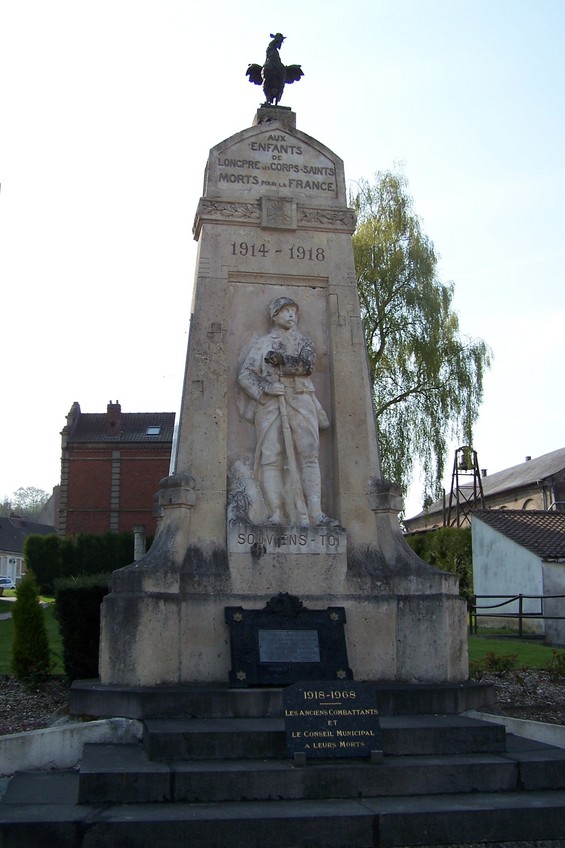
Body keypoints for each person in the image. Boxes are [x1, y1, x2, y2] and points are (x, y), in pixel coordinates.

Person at [238, 296, 335, 527]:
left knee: (309, 454)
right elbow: (245, 375)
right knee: (271, 457)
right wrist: (267, 388)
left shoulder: (304, 342)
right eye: (285, 311)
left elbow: (307, 365)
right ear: (274, 315)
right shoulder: (261, 344)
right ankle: (276, 514)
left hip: (301, 400)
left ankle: (315, 513)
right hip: (270, 405)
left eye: (294, 311)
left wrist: (282, 360)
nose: (292, 315)